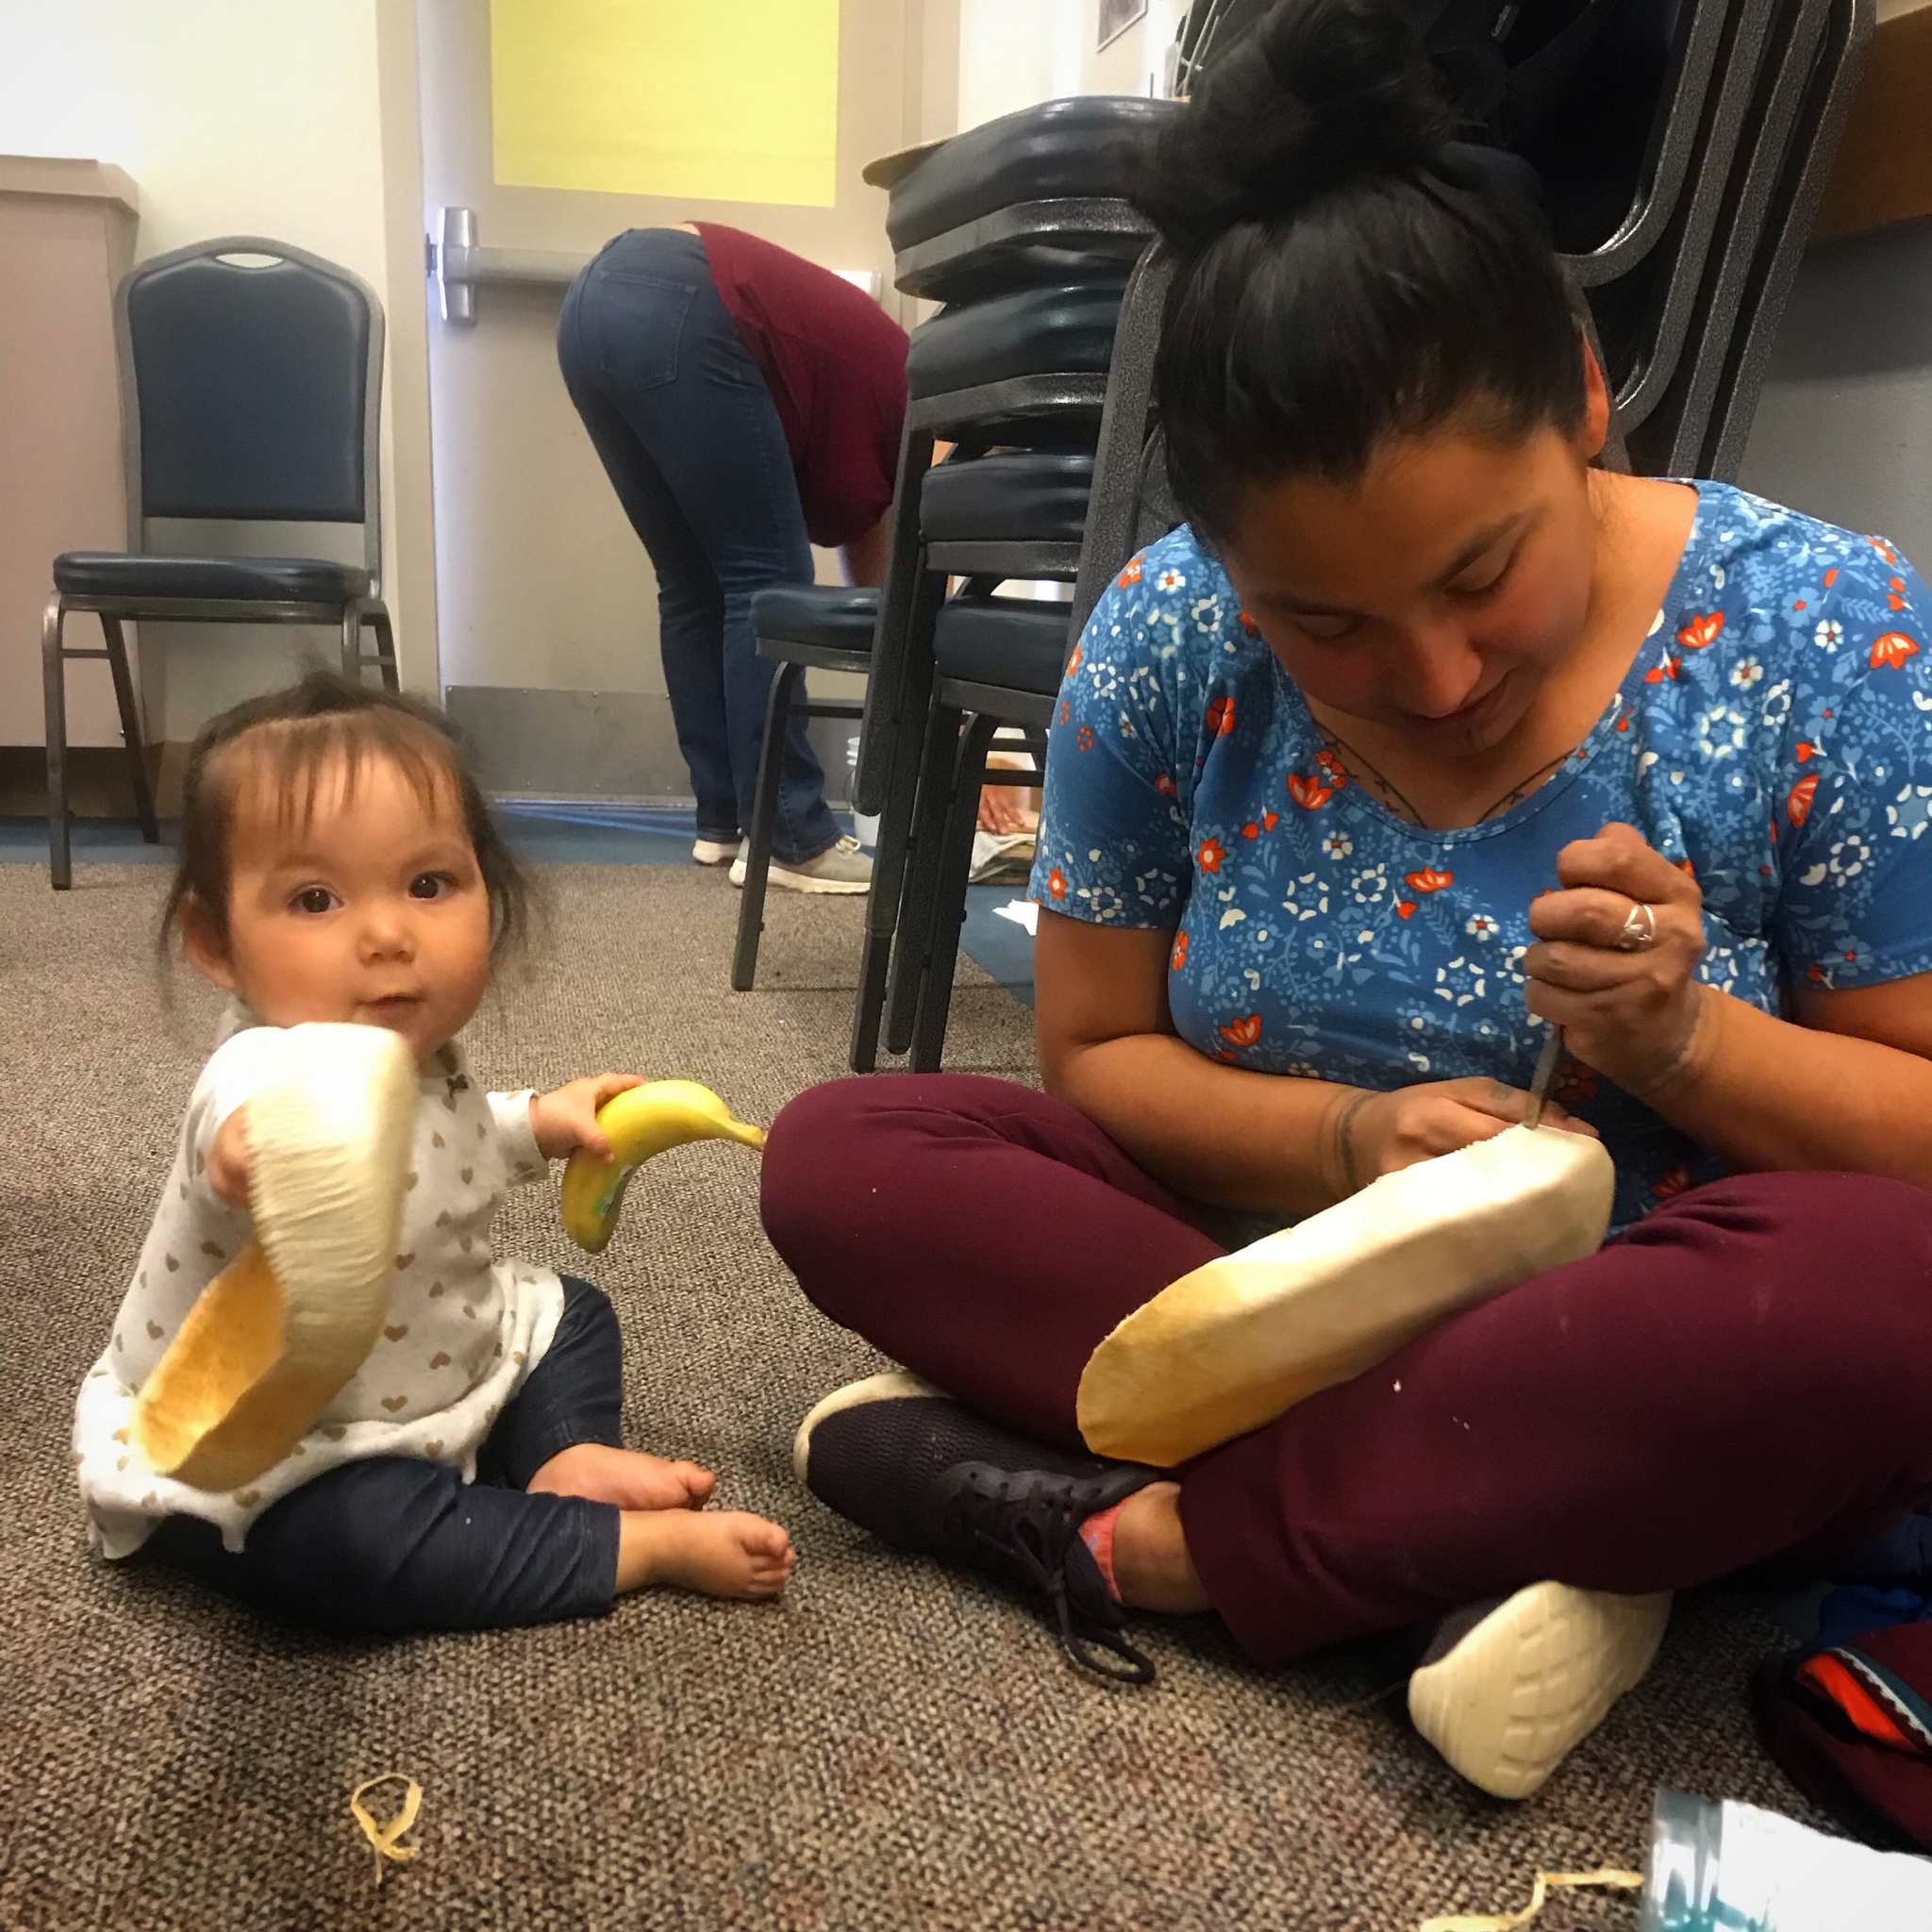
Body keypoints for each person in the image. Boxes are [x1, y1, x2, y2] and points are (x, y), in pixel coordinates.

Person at [758, 0, 1932, 1797]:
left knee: (1887, 1289)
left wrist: (1681, 1040)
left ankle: (1165, 1545)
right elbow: (1095, 1050)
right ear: (1223, 555)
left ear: (1583, 392)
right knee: (844, 1152)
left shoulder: (1828, 630)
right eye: (1326, 625)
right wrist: (1348, 1137)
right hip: (1268, 1279)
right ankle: (1492, 1538)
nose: (1440, 670)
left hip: (1649, 1325)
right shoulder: (1163, 631)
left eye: (1485, 571)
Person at [75, 673, 795, 1633]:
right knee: (352, 1547)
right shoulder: (266, 1061)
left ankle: (560, 1456)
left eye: (428, 884)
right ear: (217, 941)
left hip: (444, 1354)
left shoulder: (424, 1059)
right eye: (316, 897)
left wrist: (537, 1121)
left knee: (573, 1312)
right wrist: (264, 1151)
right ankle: (628, 1547)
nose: (387, 933)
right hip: (286, 1439)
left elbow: (450, 1138)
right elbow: (238, 1114)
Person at [558, 222, 908, 894]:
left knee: (693, 583)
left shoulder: (894, 386)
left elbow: (872, 552)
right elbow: (899, 561)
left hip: (590, 310)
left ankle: (724, 818)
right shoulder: (930, 409)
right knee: (764, 578)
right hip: (682, 297)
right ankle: (789, 834)